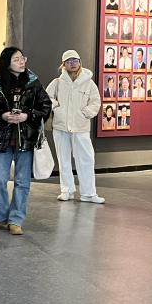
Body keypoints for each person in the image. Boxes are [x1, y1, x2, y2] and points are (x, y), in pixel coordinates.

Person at [0, 47, 52, 236]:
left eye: (23, 58)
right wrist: (2, 115)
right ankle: (1, 215)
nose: (21, 62)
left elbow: (46, 106)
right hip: (2, 139)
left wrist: (27, 115)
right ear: (7, 63)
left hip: (26, 140)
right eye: (16, 59)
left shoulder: (33, 82)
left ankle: (16, 220)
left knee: (22, 181)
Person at [46, 51, 104, 204]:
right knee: (63, 158)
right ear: (63, 64)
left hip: (81, 127)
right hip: (61, 126)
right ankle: (67, 190)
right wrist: (56, 108)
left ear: (80, 62)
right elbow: (46, 97)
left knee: (86, 159)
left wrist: (85, 113)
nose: (72, 63)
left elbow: (96, 101)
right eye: (68, 61)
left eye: (75, 60)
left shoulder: (88, 82)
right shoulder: (57, 82)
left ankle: (88, 193)